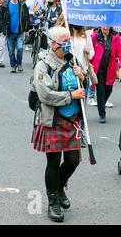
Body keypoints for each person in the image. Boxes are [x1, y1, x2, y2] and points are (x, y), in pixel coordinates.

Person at [31, 26, 85, 223]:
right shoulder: (43, 65)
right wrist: (71, 96)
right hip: (52, 118)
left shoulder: (72, 60)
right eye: (64, 42)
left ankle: (60, 186)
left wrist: (83, 76)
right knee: (53, 163)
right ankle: (53, 201)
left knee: (73, 160)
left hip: (73, 120)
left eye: (69, 41)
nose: (68, 45)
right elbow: (45, 94)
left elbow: (90, 81)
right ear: (53, 44)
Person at [90, 26, 121, 123]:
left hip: (110, 68)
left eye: (107, 26)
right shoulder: (94, 36)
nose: (105, 28)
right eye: (103, 26)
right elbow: (90, 51)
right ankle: (102, 114)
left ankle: (101, 104)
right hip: (98, 68)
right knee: (100, 90)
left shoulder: (116, 37)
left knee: (109, 90)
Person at [4, 0, 30, 73]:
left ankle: (19, 64)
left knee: (19, 49)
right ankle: (13, 65)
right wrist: (3, 29)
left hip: (20, 31)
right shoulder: (6, 5)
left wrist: (26, 30)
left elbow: (26, 17)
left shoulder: (22, 4)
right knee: (11, 51)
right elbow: (3, 18)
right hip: (9, 32)